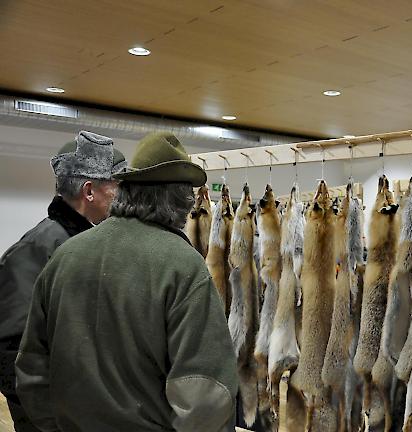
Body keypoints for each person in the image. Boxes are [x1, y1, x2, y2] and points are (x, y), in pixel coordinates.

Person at [15, 132, 238, 432]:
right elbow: (206, 394)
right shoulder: (183, 266)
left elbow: (30, 368)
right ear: (183, 202)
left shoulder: (65, 256)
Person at [0, 131, 125, 432]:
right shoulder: (35, 251)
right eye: (117, 185)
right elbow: (11, 356)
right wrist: (51, 423)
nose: (122, 195)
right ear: (89, 191)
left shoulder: (87, 245)